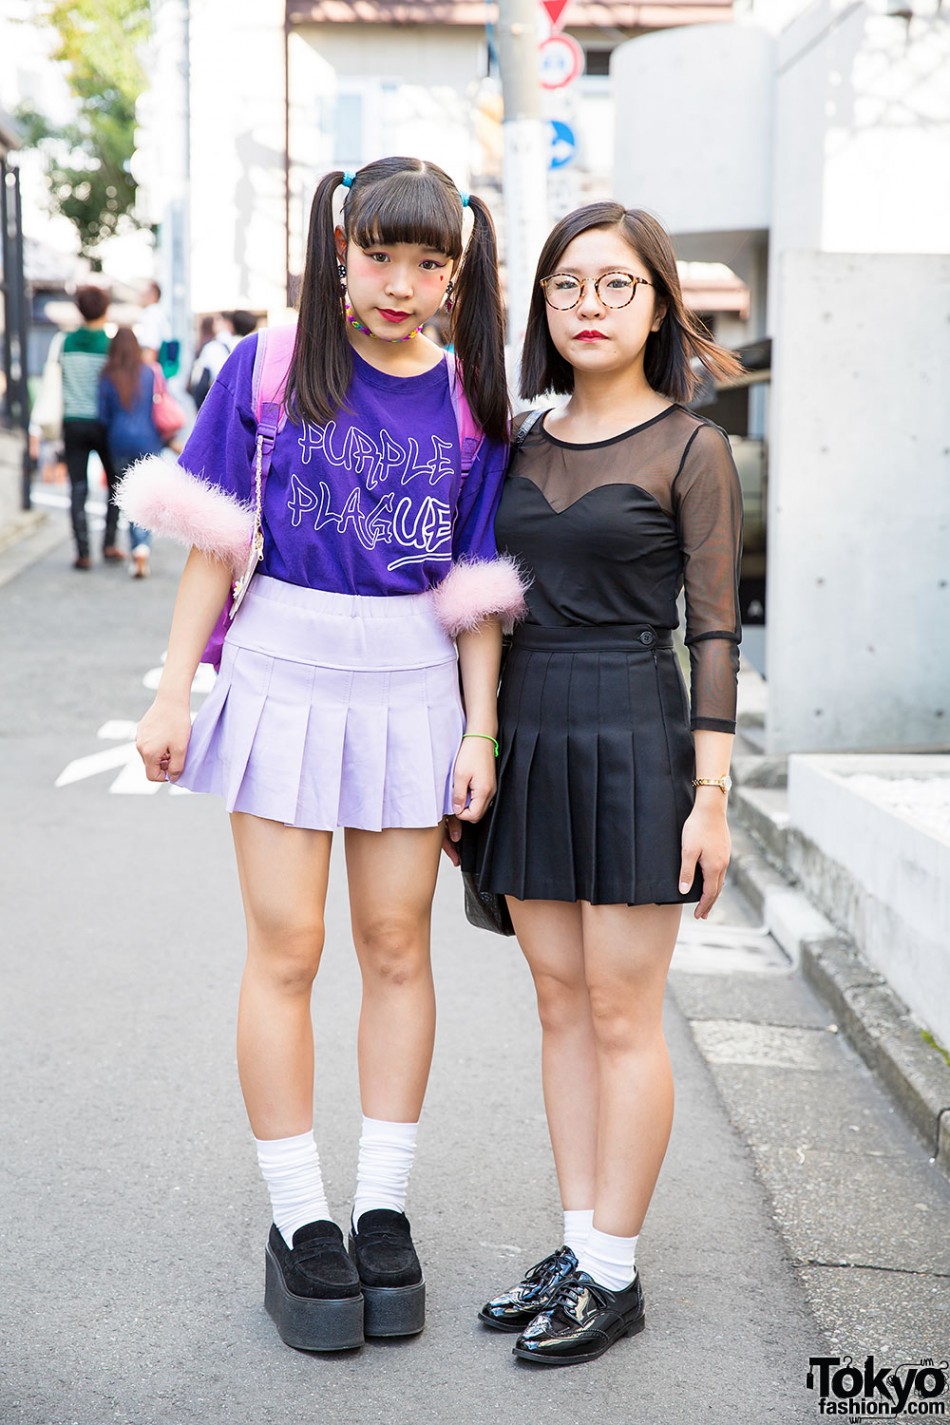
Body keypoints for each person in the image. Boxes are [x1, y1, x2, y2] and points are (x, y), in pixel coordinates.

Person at [117, 157, 524, 1354]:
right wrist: (171, 695)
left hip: (410, 681)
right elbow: (210, 550)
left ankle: (381, 1211)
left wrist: (480, 732)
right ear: (338, 246)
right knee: (286, 947)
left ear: (456, 269)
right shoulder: (272, 365)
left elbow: (475, 595)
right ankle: (302, 1220)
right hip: (284, 662)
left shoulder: (467, 398)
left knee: (395, 944)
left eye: (427, 262)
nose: (401, 284)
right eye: (380, 255)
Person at [461, 202, 744, 1366]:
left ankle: (616, 1273)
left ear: (656, 304)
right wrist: (474, 740)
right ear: (542, 305)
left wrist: (711, 794)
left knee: (624, 1015)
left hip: (636, 737)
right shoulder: (515, 441)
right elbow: (477, 598)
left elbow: (716, 631)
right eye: (566, 285)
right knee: (557, 1006)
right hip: (528, 736)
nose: (586, 304)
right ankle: (580, 1245)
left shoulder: (690, 448)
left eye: (613, 285)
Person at [60, 286, 122, 569]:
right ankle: (109, 544)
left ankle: (83, 552)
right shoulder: (109, 346)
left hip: (73, 421)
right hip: (103, 423)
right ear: (105, 310)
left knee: (77, 487)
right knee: (114, 483)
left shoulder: (67, 342)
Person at [98, 327, 165, 578]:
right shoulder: (149, 372)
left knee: (129, 498)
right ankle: (142, 545)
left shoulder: (108, 375)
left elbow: (102, 415)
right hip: (148, 441)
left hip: (119, 442)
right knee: (145, 497)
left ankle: (136, 545)